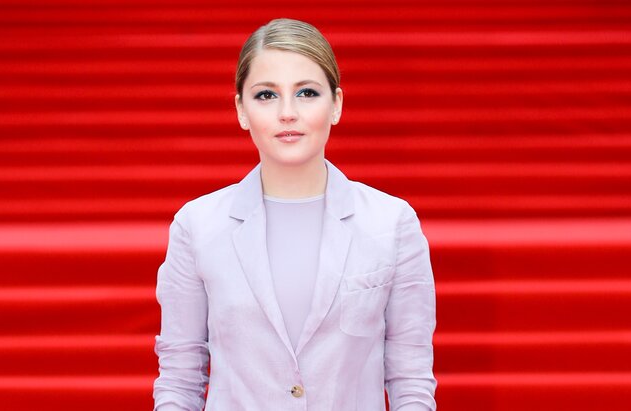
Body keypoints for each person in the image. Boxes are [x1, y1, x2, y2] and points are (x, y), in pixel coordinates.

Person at [153, 18, 436, 411]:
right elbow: (180, 379)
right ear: (241, 110)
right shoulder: (198, 226)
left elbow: (411, 380)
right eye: (266, 95)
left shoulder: (391, 224)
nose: (287, 113)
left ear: (336, 104)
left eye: (306, 92)